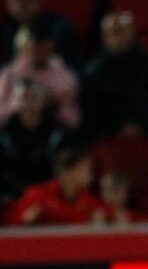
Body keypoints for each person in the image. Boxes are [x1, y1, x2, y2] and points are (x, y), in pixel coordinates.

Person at [81, 11, 148, 141]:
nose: (116, 38)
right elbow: (89, 113)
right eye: (111, 33)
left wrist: (145, 129)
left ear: (132, 32)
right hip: (108, 140)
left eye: (121, 31)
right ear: (103, 37)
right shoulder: (94, 71)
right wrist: (115, 130)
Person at [0, 78, 69, 211]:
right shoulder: (4, 135)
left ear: (43, 101)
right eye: (23, 97)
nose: (28, 103)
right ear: (14, 101)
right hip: (12, 197)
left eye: (34, 97)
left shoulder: (58, 132)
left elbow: (64, 167)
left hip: (52, 195)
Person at [0, 21, 80, 128]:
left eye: (42, 46)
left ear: (51, 46)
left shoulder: (65, 76)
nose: (38, 51)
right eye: (34, 47)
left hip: (51, 134)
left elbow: (73, 120)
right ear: (25, 47)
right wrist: (22, 104)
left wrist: (51, 100)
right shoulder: (10, 74)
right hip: (16, 134)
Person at [5, 144, 108, 225]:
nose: (91, 174)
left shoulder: (91, 201)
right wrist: (24, 220)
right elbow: (10, 220)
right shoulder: (38, 195)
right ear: (68, 172)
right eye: (86, 169)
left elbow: (111, 216)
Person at [1, 1, 84, 73]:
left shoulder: (59, 28)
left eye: (26, 1)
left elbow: (75, 69)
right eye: (15, 2)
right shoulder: (6, 30)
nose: (20, 6)